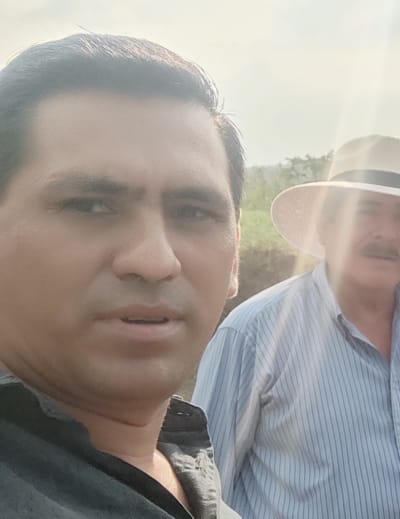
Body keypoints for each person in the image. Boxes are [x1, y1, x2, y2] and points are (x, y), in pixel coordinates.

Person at [192, 135, 400, 518]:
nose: (386, 233)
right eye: (365, 211)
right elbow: (203, 487)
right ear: (325, 226)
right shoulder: (253, 334)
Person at [0, 33, 244, 518]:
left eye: (193, 212)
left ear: (235, 258)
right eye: (89, 206)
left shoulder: (189, 479)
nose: (155, 261)